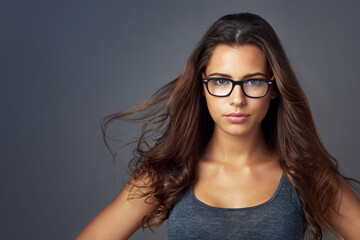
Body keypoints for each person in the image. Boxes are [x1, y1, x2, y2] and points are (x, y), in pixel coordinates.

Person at [76, 13, 360, 240]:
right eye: (222, 81)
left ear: (275, 88)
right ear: (202, 86)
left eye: (253, 81)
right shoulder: (169, 171)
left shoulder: (305, 173)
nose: (237, 99)